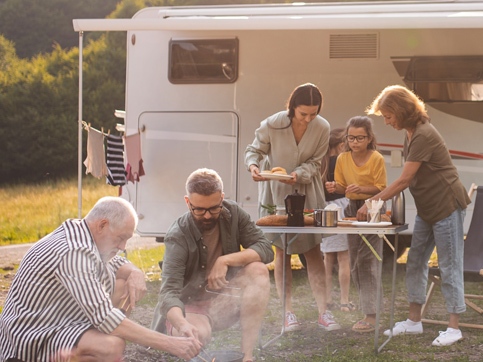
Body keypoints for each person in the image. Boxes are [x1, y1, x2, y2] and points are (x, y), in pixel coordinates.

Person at [0, 197, 201, 362]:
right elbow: (106, 319)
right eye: (121, 238)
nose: (123, 246)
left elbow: (113, 264)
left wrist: (134, 271)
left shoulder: (83, 234)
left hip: (56, 322)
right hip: (29, 341)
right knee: (111, 346)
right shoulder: (74, 252)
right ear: (102, 225)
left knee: (122, 284)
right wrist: (170, 343)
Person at [361, 85, 471, 346]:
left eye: (388, 116)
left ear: (401, 110)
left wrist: (372, 202)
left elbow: (404, 180)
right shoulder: (410, 132)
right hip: (427, 209)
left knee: (449, 266)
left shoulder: (423, 133)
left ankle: (454, 328)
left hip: (446, 205)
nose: (386, 122)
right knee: (415, 262)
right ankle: (413, 322)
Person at [151, 168, 274, 362]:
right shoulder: (178, 235)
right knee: (197, 335)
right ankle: (189, 336)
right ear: (187, 202)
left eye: (213, 208)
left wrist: (225, 260)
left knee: (258, 270)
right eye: (199, 209)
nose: (207, 215)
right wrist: (182, 325)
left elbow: (266, 249)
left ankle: (246, 356)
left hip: (223, 301)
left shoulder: (233, 213)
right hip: (190, 307)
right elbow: (168, 294)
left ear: (222, 198)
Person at [245, 83, 340, 332]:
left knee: (313, 252)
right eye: (303, 114)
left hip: (307, 193)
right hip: (275, 193)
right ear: (292, 108)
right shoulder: (272, 124)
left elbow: (316, 161)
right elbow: (254, 150)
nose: (308, 119)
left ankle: (323, 312)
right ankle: (288, 313)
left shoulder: (323, 127)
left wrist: (298, 174)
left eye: (313, 113)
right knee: (281, 252)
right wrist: (254, 167)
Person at [325, 116, 387, 333]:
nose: (355, 142)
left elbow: (381, 188)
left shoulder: (376, 158)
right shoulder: (342, 158)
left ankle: (372, 314)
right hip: (352, 208)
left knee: (367, 259)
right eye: (351, 138)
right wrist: (336, 187)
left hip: (373, 208)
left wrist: (360, 189)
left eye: (360, 138)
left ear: (369, 138)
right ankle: (368, 310)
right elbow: (344, 188)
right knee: (354, 261)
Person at [320, 128, 354, 313]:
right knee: (344, 258)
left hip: (325, 210)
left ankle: (327, 299)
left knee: (327, 258)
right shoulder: (343, 162)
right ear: (341, 145)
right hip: (341, 209)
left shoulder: (321, 163)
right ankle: (344, 301)